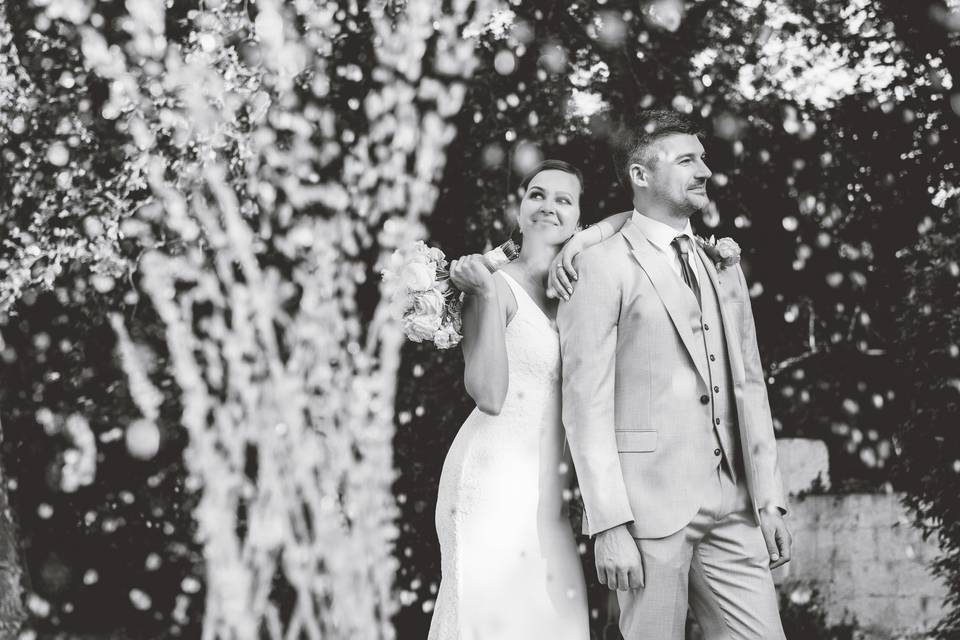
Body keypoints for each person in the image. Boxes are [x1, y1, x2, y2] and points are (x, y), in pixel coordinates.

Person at [556, 109, 792, 640]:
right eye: (687, 159)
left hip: (734, 504)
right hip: (647, 513)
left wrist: (768, 497)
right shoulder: (600, 264)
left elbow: (748, 385)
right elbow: (585, 405)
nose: (704, 169)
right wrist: (608, 524)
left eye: (703, 157)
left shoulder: (719, 265)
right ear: (641, 175)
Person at [427, 160, 591, 640]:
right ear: (519, 210)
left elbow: (627, 222)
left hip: (547, 496)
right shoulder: (492, 283)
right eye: (537, 195)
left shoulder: (581, 291)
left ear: (581, 221)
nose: (548, 206)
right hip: (490, 480)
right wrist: (482, 291)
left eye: (564, 199)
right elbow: (489, 394)